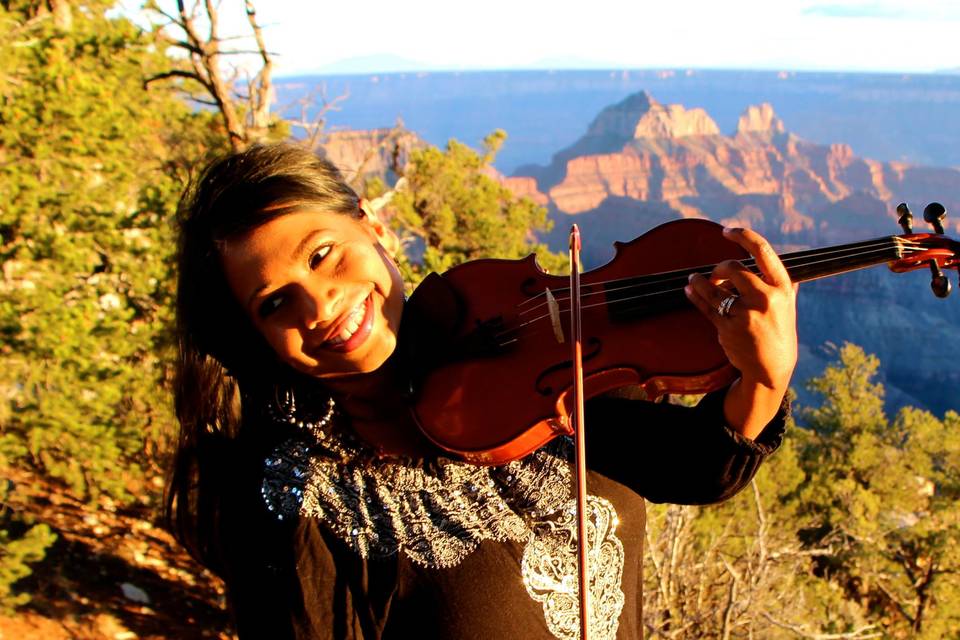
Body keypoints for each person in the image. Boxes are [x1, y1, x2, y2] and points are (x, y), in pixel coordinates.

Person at [165, 142, 797, 639]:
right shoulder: (300, 494)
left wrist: (764, 376)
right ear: (258, 335)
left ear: (375, 230)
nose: (321, 303)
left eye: (324, 254)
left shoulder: (528, 361)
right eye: (275, 303)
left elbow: (692, 464)